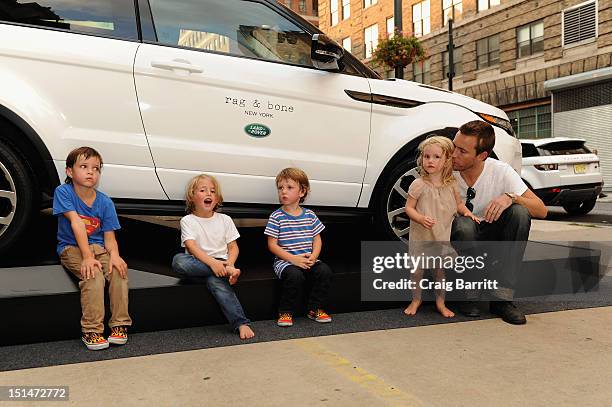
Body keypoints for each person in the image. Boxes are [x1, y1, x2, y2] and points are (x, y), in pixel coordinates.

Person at [451, 121, 548, 324]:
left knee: (520, 213)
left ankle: (501, 298)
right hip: (459, 241)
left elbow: (541, 209)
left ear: (482, 156)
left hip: (492, 236)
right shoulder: (444, 169)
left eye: (462, 151)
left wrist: (511, 197)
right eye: (454, 146)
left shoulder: (500, 171)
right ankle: (470, 291)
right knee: (464, 225)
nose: (453, 154)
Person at [53, 146, 131, 350]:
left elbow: (109, 236)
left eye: (96, 168)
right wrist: (87, 257)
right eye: (84, 166)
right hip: (72, 248)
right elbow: (77, 223)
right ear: (70, 171)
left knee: (118, 271)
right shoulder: (63, 192)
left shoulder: (105, 202)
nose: (91, 172)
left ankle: (120, 325)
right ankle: (92, 330)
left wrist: (114, 255)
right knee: (93, 275)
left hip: (99, 247)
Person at [404, 136, 480, 318]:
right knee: (417, 272)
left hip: (440, 237)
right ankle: (416, 299)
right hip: (422, 237)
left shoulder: (451, 184)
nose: (430, 160)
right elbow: (408, 208)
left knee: (439, 272)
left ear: (446, 160)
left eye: (436, 157)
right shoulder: (419, 184)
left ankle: (440, 302)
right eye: (427, 156)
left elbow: (459, 204)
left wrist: (467, 213)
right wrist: (420, 218)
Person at [171, 174, 254, 340]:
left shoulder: (225, 219)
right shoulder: (188, 220)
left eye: (212, 191)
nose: (208, 193)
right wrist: (216, 265)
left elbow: (233, 247)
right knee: (178, 261)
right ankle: (224, 270)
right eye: (203, 190)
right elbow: (191, 247)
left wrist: (229, 263)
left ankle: (241, 323)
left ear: (217, 199)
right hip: (199, 266)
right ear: (192, 197)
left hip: (220, 272)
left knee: (218, 285)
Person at [265, 168, 333, 327]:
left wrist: (314, 256)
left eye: (289, 188)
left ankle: (314, 309)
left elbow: (317, 240)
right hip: (286, 261)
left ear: (302, 192)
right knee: (294, 276)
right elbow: (272, 245)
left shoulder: (309, 215)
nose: (283, 192)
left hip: (307, 259)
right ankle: (285, 311)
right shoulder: (276, 216)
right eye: (280, 188)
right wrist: (292, 259)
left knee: (325, 271)